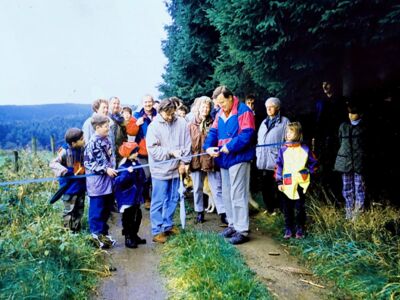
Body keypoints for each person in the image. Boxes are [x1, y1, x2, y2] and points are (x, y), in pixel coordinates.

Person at [204, 86, 256, 245]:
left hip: (239, 157)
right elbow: (213, 133)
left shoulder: (243, 110)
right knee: (226, 193)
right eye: (217, 104)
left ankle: (242, 230)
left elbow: (248, 134)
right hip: (224, 160)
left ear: (230, 97)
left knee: (238, 194)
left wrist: (231, 146)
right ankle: (232, 224)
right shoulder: (219, 113)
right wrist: (208, 147)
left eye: (222, 102)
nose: (220, 106)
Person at [146, 98, 191, 243]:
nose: (170, 117)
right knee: (158, 200)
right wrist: (170, 152)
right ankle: (157, 230)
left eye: (172, 114)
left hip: (176, 169)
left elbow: (187, 144)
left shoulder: (182, 123)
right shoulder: (153, 127)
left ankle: (167, 225)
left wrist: (184, 162)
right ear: (160, 112)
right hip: (160, 170)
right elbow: (153, 150)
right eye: (167, 114)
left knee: (173, 198)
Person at [275, 122, 317, 239]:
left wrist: (308, 172)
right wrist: (279, 181)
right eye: (287, 132)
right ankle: (288, 228)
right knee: (287, 208)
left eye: (291, 132)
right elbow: (278, 166)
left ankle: (300, 229)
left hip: (301, 183)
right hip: (287, 184)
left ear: (298, 134)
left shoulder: (305, 149)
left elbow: (313, 163)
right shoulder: (283, 149)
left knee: (300, 208)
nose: (288, 134)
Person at [189, 96, 227, 225]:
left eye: (207, 106)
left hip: (211, 159)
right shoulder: (191, 124)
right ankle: (199, 212)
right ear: (198, 108)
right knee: (198, 187)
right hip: (195, 159)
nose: (205, 109)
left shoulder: (214, 123)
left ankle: (223, 213)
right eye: (203, 106)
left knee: (217, 187)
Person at [84, 114, 118, 249]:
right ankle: (95, 237)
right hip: (97, 184)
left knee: (105, 210)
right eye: (105, 127)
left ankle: (104, 234)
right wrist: (105, 169)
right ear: (97, 127)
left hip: (108, 183)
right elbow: (89, 163)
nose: (108, 129)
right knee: (96, 211)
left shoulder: (106, 139)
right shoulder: (92, 143)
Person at [312, 80, 347, 198]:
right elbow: (317, 122)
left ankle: (339, 196)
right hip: (324, 141)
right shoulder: (320, 103)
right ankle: (327, 196)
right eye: (323, 84)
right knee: (326, 169)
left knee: (338, 168)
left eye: (327, 83)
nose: (325, 86)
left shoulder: (341, 101)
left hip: (337, 140)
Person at [256, 97, 290, 214]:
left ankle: (280, 209)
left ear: (278, 108)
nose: (268, 109)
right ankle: (269, 208)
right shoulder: (263, 123)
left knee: (277, 187)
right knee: (265, 187)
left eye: (271, 106)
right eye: (267, 107)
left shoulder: (285, 122)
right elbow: (259, 140)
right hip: (263, 160)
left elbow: (289, 141)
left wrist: (283, 156)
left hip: (276, 160)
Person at [49, 128, 86, 232]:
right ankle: (67, 233)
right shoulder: (65, 152)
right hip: (69, 188)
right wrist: (65, 171)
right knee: (69, 211)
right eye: (81, 139)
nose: (84, 140)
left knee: (79, 209)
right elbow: (53, 163)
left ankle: (76, 230)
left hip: (80, 185)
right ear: (73, 143)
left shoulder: (82, 149)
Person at [334, 103, 366, 220]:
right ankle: (348, 213)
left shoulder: (364, 127)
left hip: (359, 162)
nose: (351, 115)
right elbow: (340, 140)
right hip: (345, 162)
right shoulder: (343, 126)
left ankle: (358, 215)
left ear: (360, 114)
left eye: (354, 113)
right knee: (347, 188)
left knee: (359, 188)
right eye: (349, 113)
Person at [114, 142, 147, 248]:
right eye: (134, 152)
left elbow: (142, 177)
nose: (137, 153)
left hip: (136, 196)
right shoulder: (123, 167)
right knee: (128, 218)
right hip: (127, 198)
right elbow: (119, 182)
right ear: (128, 154)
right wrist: (128, 173)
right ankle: (128, 237)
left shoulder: (135, 163)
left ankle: (134, 234)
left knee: (137, 216)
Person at [127, 95, 157, 210]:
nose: (148, 104)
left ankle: (155, 198)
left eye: (150, 102)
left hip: (155, 149)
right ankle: (146, 199)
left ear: (153, 103)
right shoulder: (137, 115)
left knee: (155, 175)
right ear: (142, 103)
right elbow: (131, 132)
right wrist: (136, 124)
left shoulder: (157, 114)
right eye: (146, 102)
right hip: (142, 150)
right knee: (146, 175)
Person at [109, 96, 127, 164]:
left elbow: (125, 135)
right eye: (114, 103)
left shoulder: (121, 119)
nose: (116, 105)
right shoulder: (107, 118)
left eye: (118, 103)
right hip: (110, 152)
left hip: (120, 152)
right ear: (109, 104)